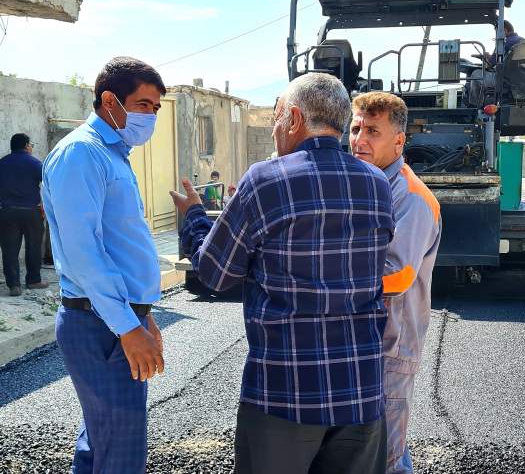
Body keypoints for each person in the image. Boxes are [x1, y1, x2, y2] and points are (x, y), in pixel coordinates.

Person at [171, 72, 394, 474]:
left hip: (284, 391)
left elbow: (215, 274)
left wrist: (192, 218)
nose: (275, 129)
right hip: (361, 390)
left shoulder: (266, 180)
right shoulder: (377, 184)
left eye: (275, 117)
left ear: (292, 118)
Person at [42, 57, 167, 473]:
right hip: (100, 324)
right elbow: (84, 253)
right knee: (121, 451)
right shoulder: (82, 153)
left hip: (113, 319)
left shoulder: (113, 154)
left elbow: (121, 245)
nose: (150, 115)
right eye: (143, 104)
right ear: (109, 100)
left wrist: (142, 315)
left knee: (101, 440)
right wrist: (127, 326)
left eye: (155, 107)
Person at [349, 92, 441, 474]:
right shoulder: (364, 184)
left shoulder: (412, 197)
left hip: (392, 347)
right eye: (355, 128)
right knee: (367, 449)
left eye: (373, 130)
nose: (359, 139)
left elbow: (398, 274)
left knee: (386, 455)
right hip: (367, 340)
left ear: (399, 141)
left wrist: (328, 275)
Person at [0, 133, 47, 296]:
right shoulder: (35, 163)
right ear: (27, 145)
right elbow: (48, 184)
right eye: (31, 144)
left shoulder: (2, 163)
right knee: (34, 247)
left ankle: (14, 285)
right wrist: (44, 205)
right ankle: (33, 281)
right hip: (31, 212)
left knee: (9, 250)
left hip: (7, 212)